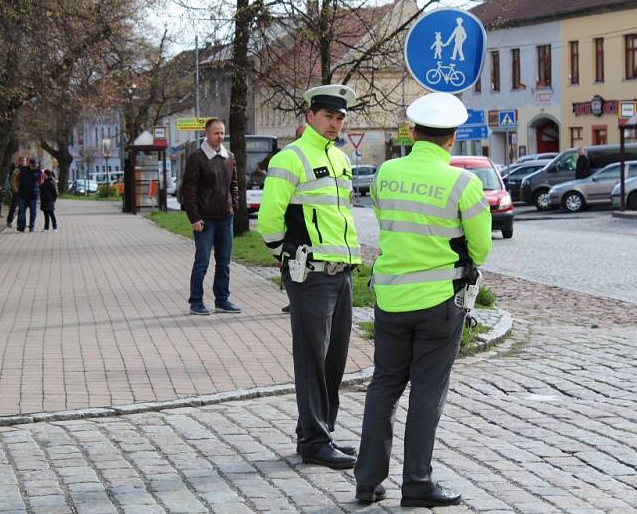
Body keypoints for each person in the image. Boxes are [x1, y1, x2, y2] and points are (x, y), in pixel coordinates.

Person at [354, 92, 492, 507]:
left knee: (384, 386)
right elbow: (481, 247)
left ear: (413, 133)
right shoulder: (463, 183)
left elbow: (384, 220)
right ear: (451, 139)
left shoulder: (385, 173)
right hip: (438, 302)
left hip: (390, 299)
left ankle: (367, 481)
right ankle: (416, 483)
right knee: (427, 393)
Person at [257, 84, 361, 470]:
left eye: (340, 118)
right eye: (329, 117)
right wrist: (286, 256)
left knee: (334, 360)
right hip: (311, 273)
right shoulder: (291, 158)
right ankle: (315, 441)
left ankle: (322, 433)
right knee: (312, 360)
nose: (335, 124)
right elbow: (269, 220)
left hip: (342, 271)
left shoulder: (341, 159)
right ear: (311, 116)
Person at [182, 118, 242, 315]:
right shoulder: (196, 158)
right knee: (202, 261)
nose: (220, 137)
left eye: (222, 133)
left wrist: (234, 204)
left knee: (224, 262)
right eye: (216, 133)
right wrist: (194, 217)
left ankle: (222, 299)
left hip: (226, 218)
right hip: (205, 219)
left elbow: (234, 184)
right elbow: (189, 191)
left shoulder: (230, 157)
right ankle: (196, 301)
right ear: (207, 134)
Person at [16, 158, 43, 232]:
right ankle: (21, 227)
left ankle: (32, 226)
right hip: (22, 194)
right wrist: (18, 188)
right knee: (22, 211)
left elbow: (40, 182)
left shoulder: (38, 171)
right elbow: (17, 179)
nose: (34, 167)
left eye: (35, 166)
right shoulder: (23, 170)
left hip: (33, 195)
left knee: (33, 211)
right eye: (33, 165)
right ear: (29, 164)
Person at [6, 157, 26, 227]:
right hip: (17, 191)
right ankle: (9, 221)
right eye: (22, 161)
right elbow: (13, 181)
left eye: (24, 161)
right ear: (19, 161)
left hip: (23, 192)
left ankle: (19, 223)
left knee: (22, 208)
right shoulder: (16, 170)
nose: (23, 162)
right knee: (13, 207)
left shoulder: (26, 170)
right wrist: (15, 189)